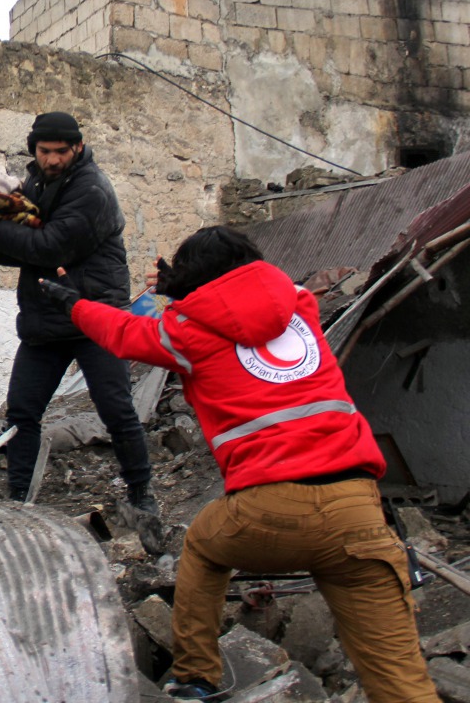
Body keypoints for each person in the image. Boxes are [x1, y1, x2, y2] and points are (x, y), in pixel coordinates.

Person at [39, 226, 439, 702]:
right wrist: (188, 287)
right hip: (358, 508)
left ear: (195, 279)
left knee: (204, 549)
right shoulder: (301, 308)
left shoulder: (187, 331)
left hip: (269, 506)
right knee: (401, 681)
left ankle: (196, 677)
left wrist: (75, 305)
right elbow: (245, 298)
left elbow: (126, 335)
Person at [0, 112, 154, 507]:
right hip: (47, 316)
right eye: (44, 151)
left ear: (78, 148)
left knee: (117, 411)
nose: (52, 159)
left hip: (96, 316)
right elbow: (23, 252)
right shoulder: (37, 182)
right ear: (34, 149)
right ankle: (19, 498)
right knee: (22, 413)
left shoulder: (91, 189)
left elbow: (50, 247)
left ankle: (141, 494)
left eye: (61, 151)